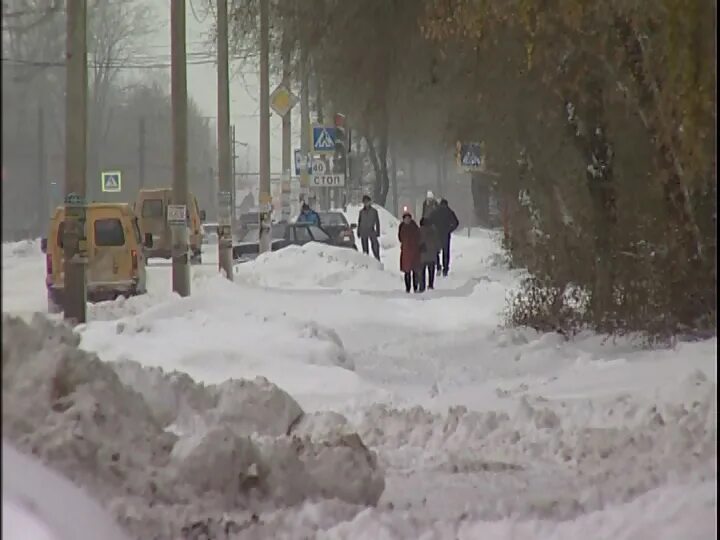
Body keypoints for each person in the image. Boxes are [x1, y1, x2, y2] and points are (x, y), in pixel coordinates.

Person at [432, 199, 460, 276]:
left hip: (436, 234)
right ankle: (445, 269)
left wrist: (433, 230)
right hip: (446, 234)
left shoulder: (435, 212)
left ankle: (438, 266)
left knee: (436, 251)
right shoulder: (449, 212)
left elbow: (429, 221)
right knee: (446, 252)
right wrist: (450, 229)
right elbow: (456, 222)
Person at [398, 210, 421, 293]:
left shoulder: (414, 226)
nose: (407, 220)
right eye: (405, 218)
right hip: (406, 251)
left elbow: (418, 236)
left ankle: (415, 287)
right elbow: (400, 238)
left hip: (414, 251)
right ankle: (407, 288)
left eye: (408, 218)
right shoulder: (402, 227)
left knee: (415, 270)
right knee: (407, 271)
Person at [418, 217, 440, 291]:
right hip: (432, 254)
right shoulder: (433, 231)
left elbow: (417, 242)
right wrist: (437, 250)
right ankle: (430, 285)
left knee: (422, 271)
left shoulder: (419, 231)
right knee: (431, 271)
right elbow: (437, 242)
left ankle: (422, 286)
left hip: (422, 254)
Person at [357, 195, 381, 260]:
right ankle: (366, 261)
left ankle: (377, 259)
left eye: (367, 201)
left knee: (375, 247)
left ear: (369, 202)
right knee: (365, 249)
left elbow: (377, 222)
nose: (366, 203)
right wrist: (358, 231)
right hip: (363, 231)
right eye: (364, 202)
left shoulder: (374, 211)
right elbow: (359, 222)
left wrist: (378, 232)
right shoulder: (361, 212)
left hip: (371, 230)